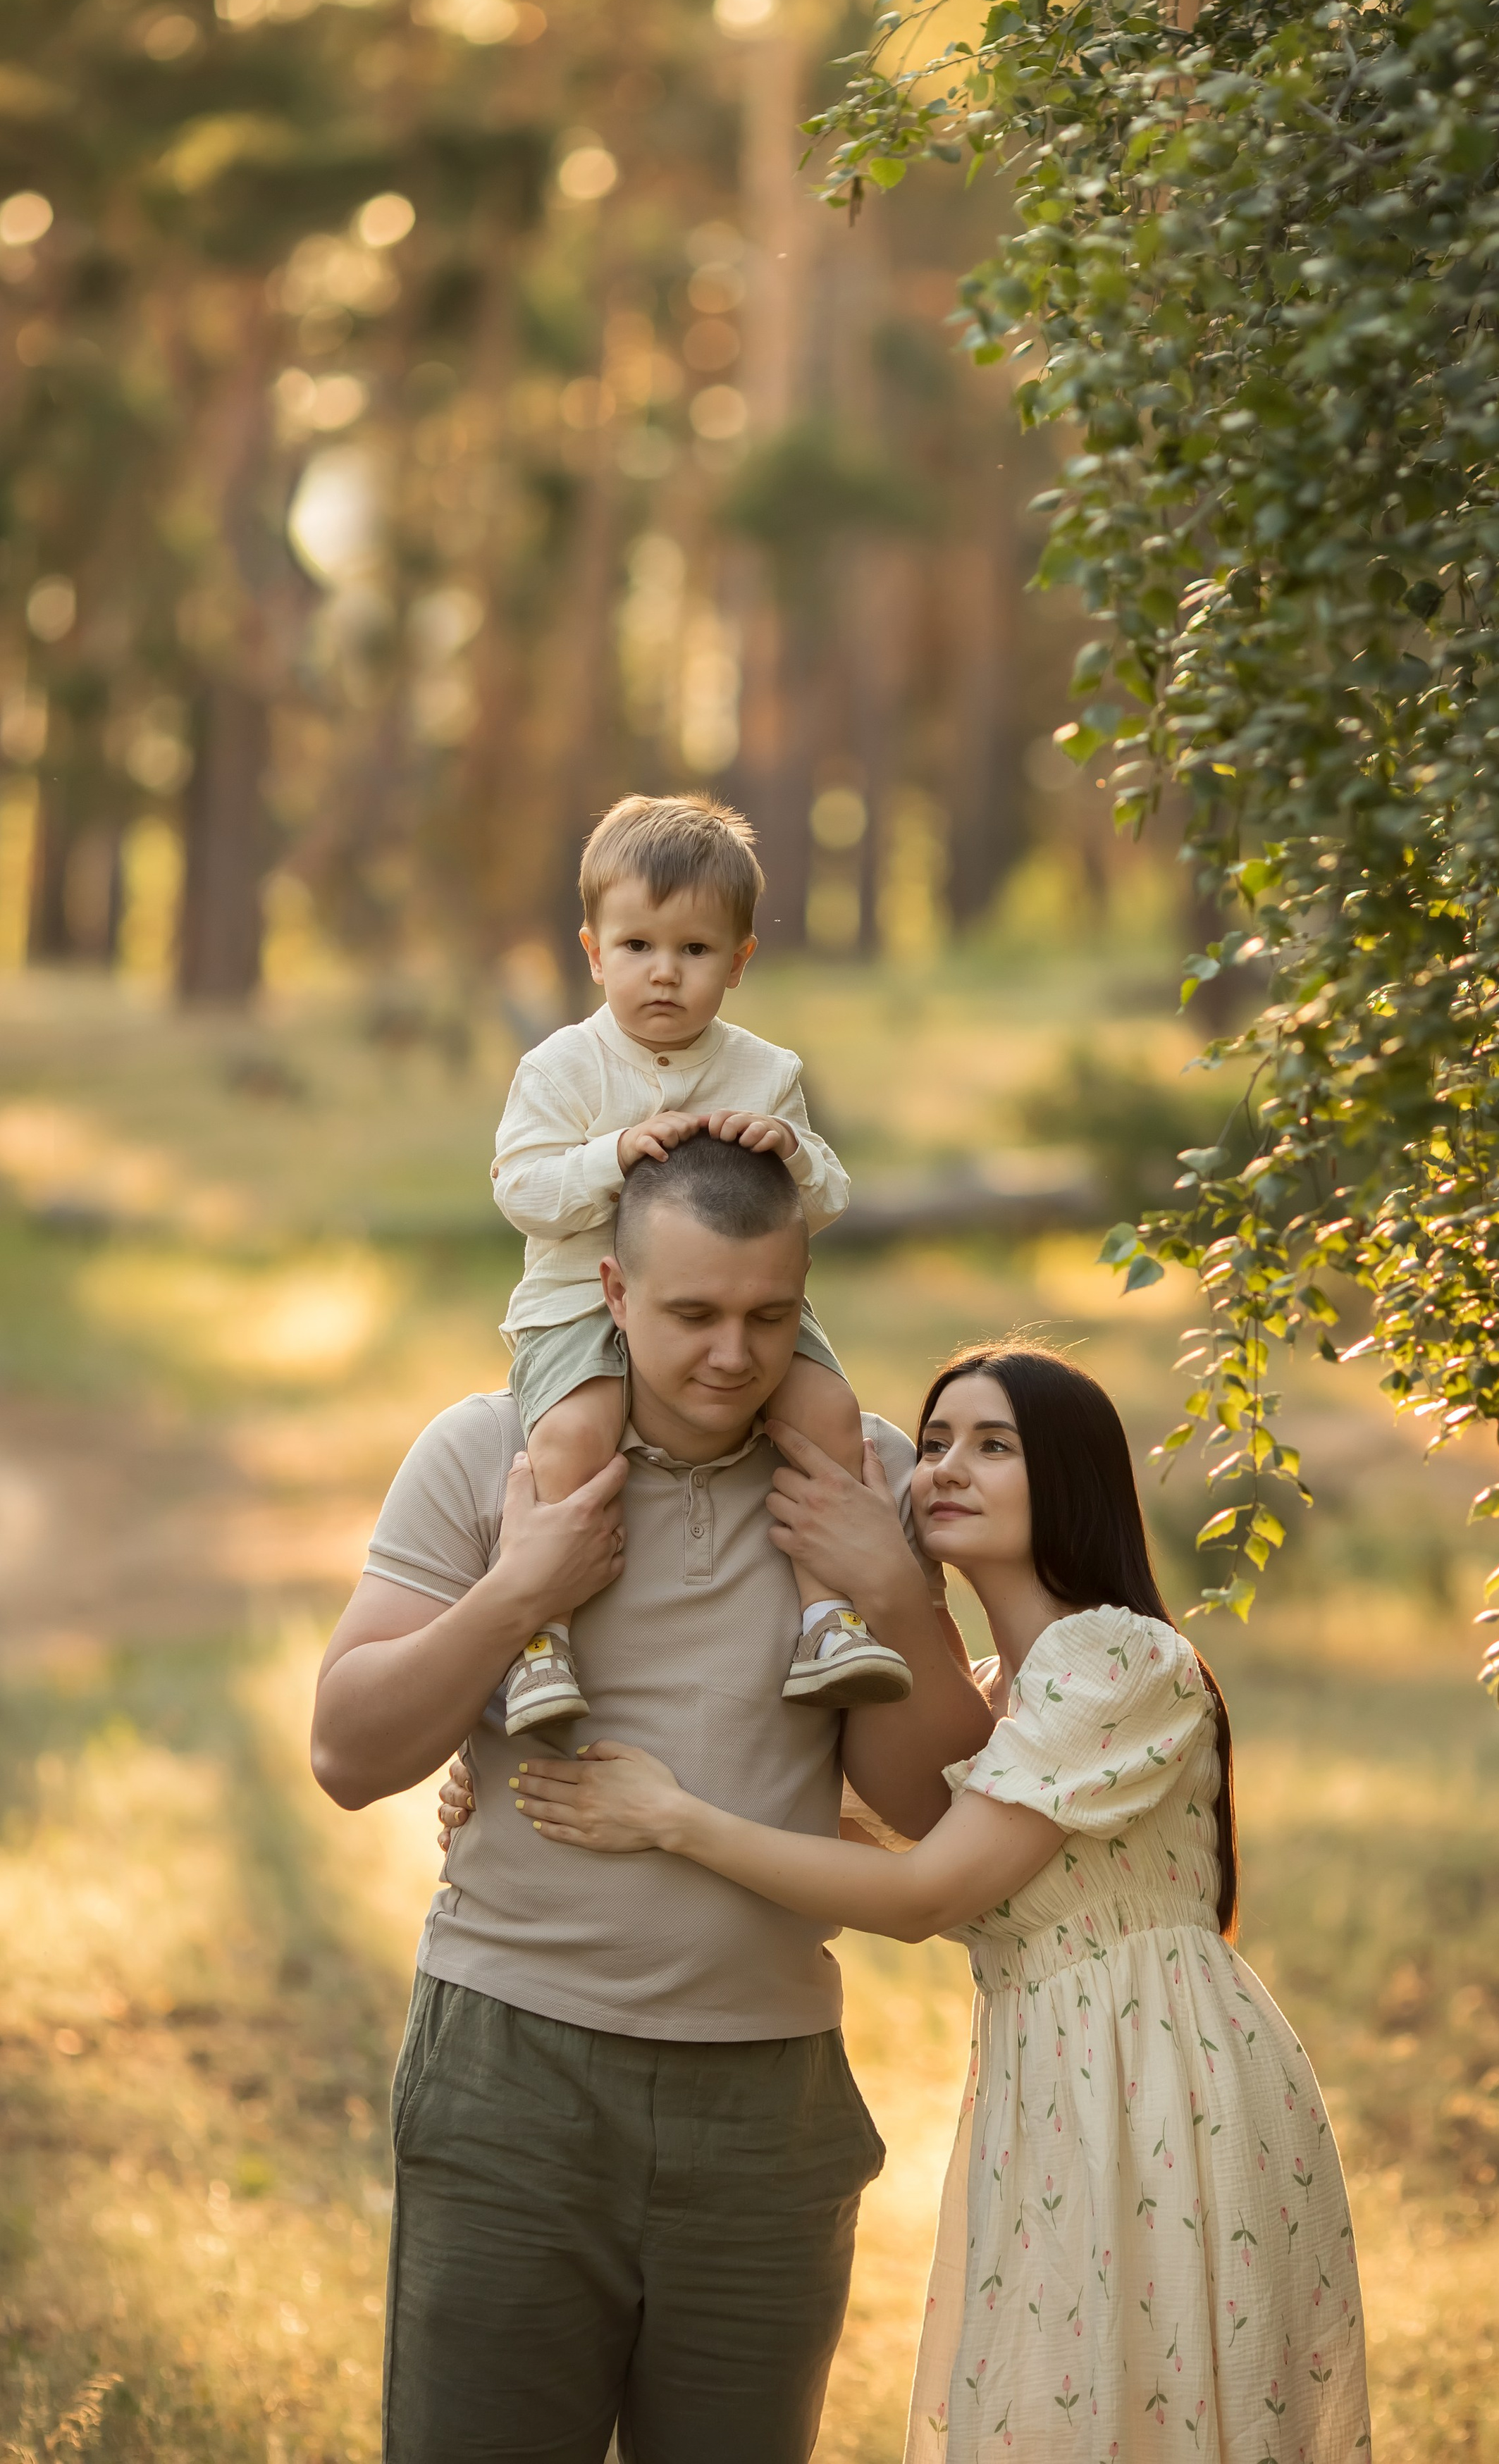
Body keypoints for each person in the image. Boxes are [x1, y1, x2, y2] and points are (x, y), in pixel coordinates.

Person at [476, 1343, 1374, 2464]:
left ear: (1074, 1480)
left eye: (994, 1445)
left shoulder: (1119, 1659)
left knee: (1155, 2403)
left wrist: (670, 1819)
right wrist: (509, 1784)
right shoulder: (999, 1697)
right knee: (1064, 2401)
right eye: (935, 1441)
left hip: (1158, 2071)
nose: (945, 1467)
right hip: (1052, 2075)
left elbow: (915, 1891)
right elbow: (813, 1825)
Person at [309, 1132, 994, 2464]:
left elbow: (923, 1809)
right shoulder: (489, 1454)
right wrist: (520, 1590)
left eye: (770, 1317)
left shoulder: (862, 1472)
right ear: (613, 1293)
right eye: (691, 1314)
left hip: (768, 2102)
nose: (733, 1356)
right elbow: (346, 1754)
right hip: (514, 2074)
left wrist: (900, 1595)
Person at [491, 788, 910, 1732]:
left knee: (831, 1411)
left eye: (695, 951)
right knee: (573, 1434)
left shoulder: (768, 1073)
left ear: (739, 961)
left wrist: (790, 1151)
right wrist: (613, 1158)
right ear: (594, 952)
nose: (665, 975)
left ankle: (826, 1619)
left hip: (742, 1301)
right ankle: (540, 1638)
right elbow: (521, 1190)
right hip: (577, 1301)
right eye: (638, 947)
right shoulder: (562, 1069)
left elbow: (830, 1200)